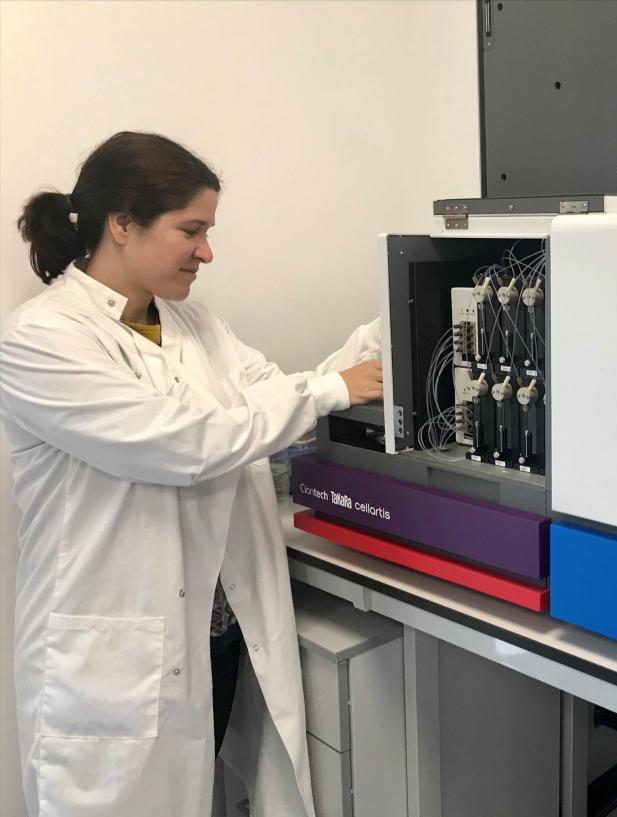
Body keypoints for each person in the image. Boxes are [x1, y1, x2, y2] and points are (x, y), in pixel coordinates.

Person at [0, 132, 383, 817]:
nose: (207, 251)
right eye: (191, 230)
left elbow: (278, 395)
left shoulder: (195, 324)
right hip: (117, 664)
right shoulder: (41, 338)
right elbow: (180, 443)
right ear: (123, 223)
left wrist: (383, 333)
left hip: (215, 638)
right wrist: (330, 390)